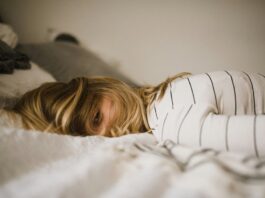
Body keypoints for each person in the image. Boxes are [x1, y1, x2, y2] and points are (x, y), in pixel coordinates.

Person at [7, 71, 265, 156]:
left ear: (104, 87)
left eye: (97, 118)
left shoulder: (172, 121)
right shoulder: (167, 96)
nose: (107, 136)